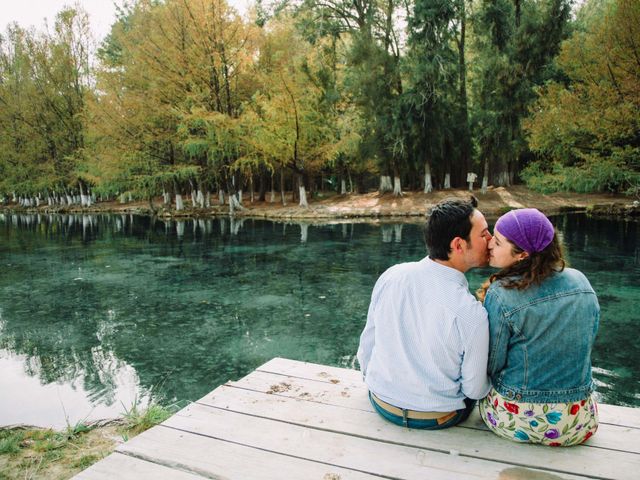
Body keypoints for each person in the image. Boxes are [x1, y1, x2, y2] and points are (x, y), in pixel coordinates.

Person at [357, 196, 493, 429]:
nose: (491, 240)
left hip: (381, 401)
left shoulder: (392, 275)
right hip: (435, 418)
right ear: (458, 245)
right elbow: (474, 390)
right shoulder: (471, 313)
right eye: (484, 234)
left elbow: (367, 347)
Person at [477, 208, 599, 446]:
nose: (490, 244)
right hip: (578, 421)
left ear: (522, 254)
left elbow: (492, 364)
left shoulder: (501, 294)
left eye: (498, 242)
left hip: (517, 421)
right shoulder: (581, 282)